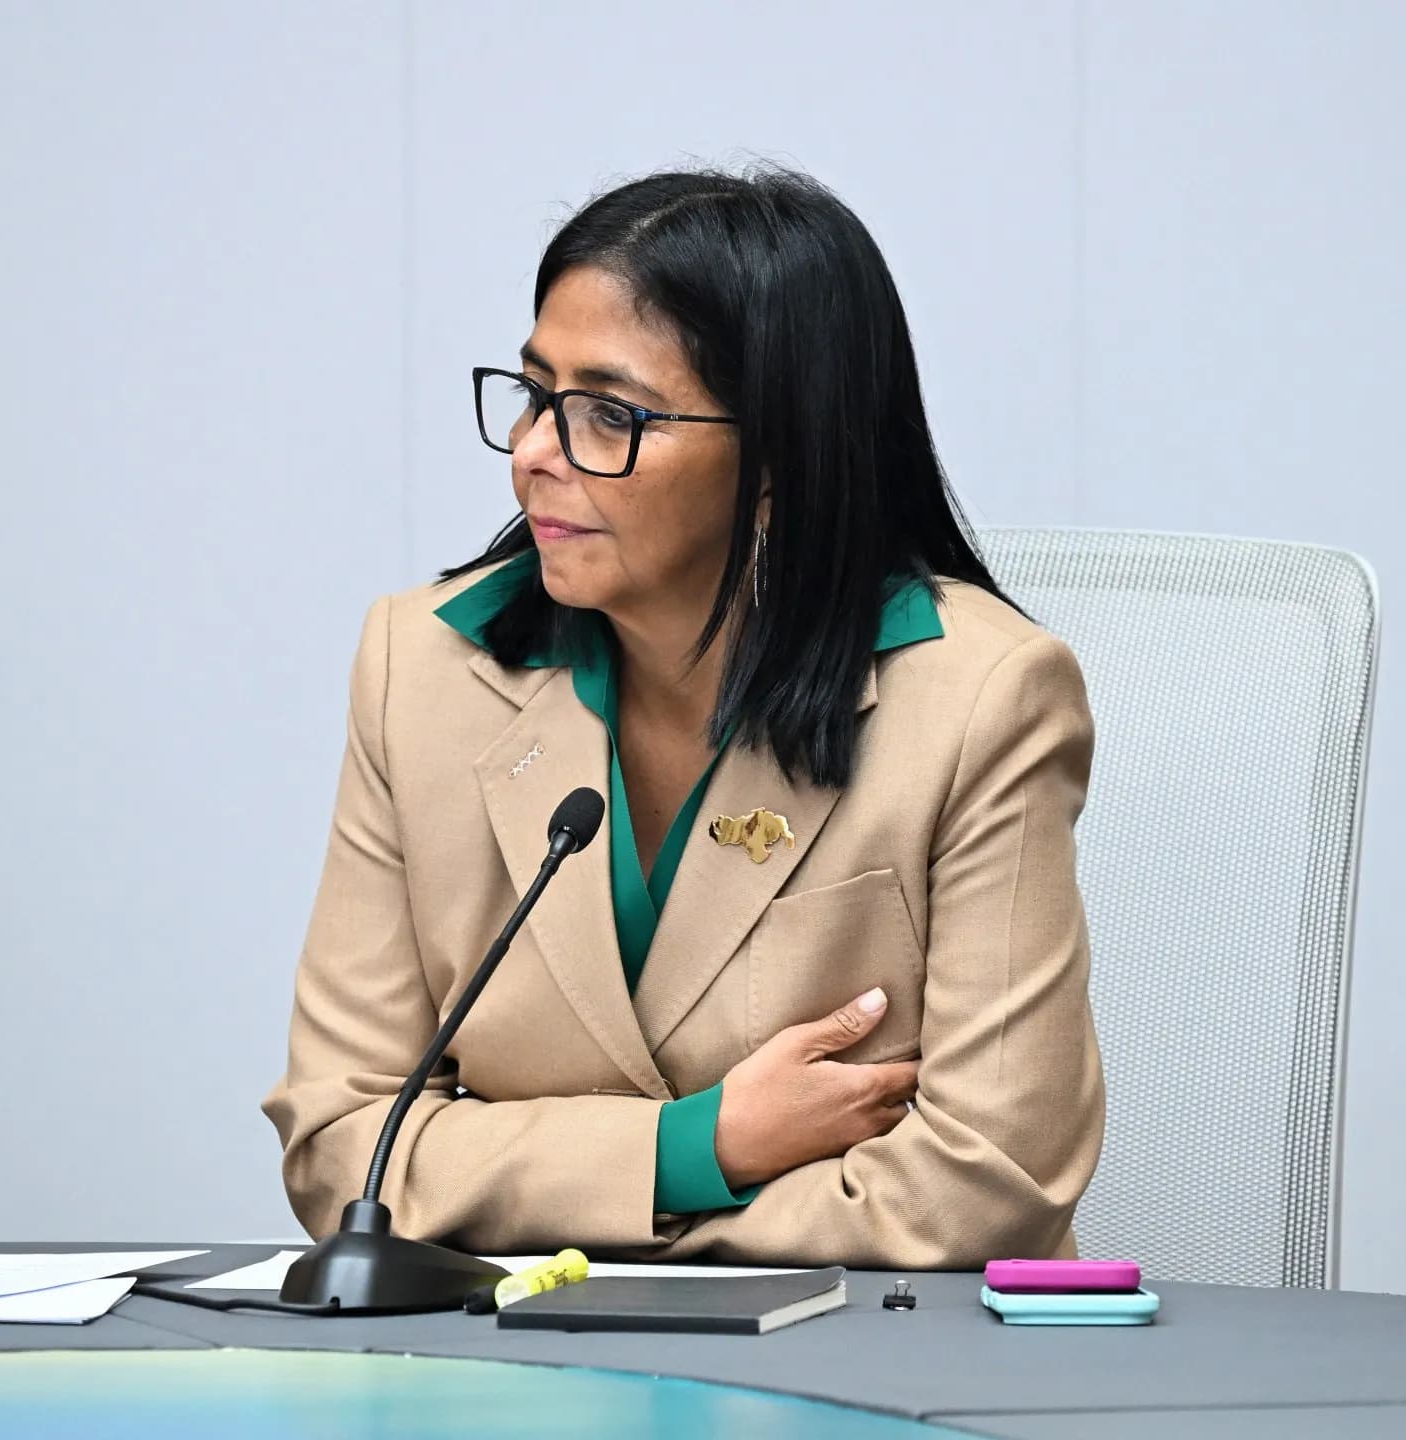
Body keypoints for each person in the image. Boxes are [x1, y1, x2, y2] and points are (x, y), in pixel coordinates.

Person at [262, 166, 1104, 1268]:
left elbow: (988, 1186)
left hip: (859, 1375)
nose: (532, 454)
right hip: (517, 1383)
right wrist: (690, 1151)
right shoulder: (418, 669)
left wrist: (554, 1217)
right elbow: (343, 1151)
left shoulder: (981, 700)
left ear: (778, 462)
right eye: (532, 395)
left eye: (609, 415)